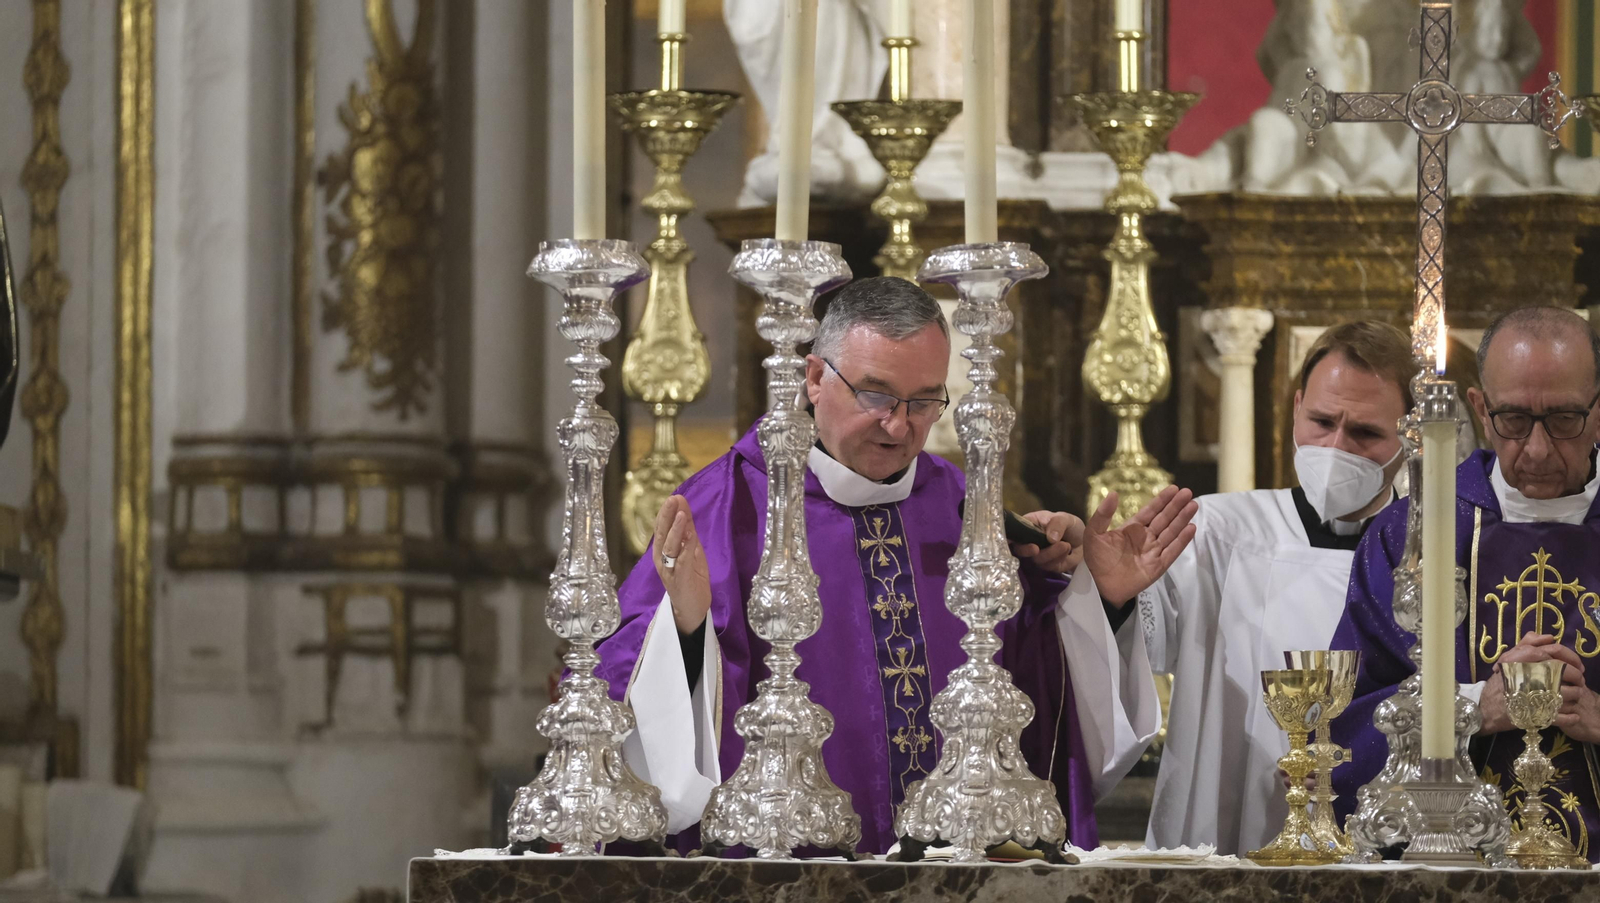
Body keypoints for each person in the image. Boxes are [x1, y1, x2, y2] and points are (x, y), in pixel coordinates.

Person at [595, 276, 1197, 855]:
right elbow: (626, 692)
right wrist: (687, 630)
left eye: (925, 401)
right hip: (788, 870)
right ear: (814, 378)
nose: (899, 425)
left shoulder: (960, 502)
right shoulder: (727, 506)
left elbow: (1034, 684)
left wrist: (1102, 600)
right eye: (876, 394)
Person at [1137, 321, 1417, 854]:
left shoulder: (1426, 556)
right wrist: (1106, 592)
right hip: (1221, 836)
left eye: (1365, 433)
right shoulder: (1215, 531)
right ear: (1295, 408)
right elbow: (1138, 646)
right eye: (1322, 421)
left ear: (1409, 437)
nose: (1336, 447)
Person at [1332, 307, 1600, 861]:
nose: (1538, 449)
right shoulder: (1414, 532)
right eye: (1514, 419)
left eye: (1564, 419)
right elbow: (1340, 729)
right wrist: (1473, 708)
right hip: (1446, 870)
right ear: (1479, 408)